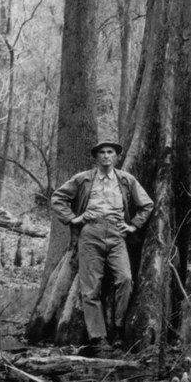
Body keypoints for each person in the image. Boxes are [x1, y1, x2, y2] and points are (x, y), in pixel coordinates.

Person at [51, 140, 153, 350]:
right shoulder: (84, 179)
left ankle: (118, 326)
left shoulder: (126, 180)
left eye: (111, 153)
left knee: (125, 279)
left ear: (116, 157)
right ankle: (98, 337)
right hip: (90, 233)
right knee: (90, 288)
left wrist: (133, 226)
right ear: (96, 157)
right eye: (102, 153)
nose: (106, 156)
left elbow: (147, 204)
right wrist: (73, 219)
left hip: (117, 235)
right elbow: (58, 198)